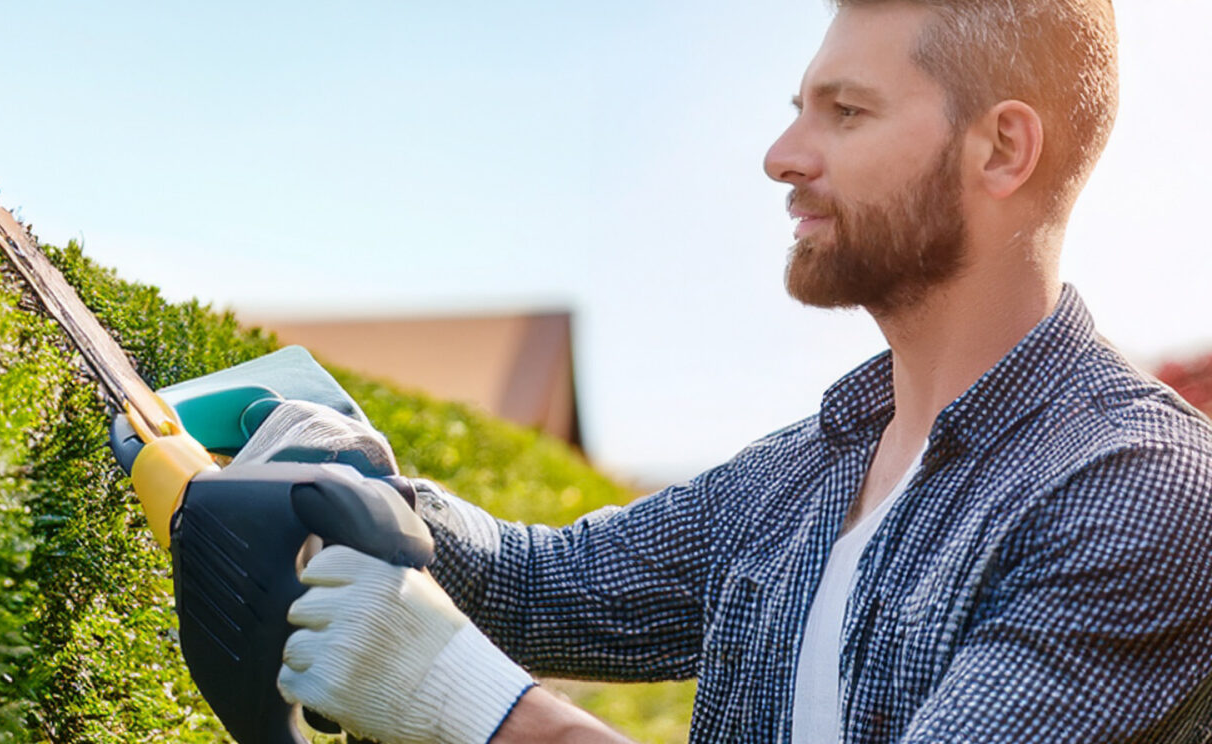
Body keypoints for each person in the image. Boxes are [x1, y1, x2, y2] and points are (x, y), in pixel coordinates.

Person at [251, 1, 1212, 741]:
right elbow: (546, 591)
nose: (782, 156)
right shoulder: (798, 475)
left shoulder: (1143, 492)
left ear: (1002, 148)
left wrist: (481, 709)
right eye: (800, 109)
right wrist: (358, 481)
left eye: (847, 112)